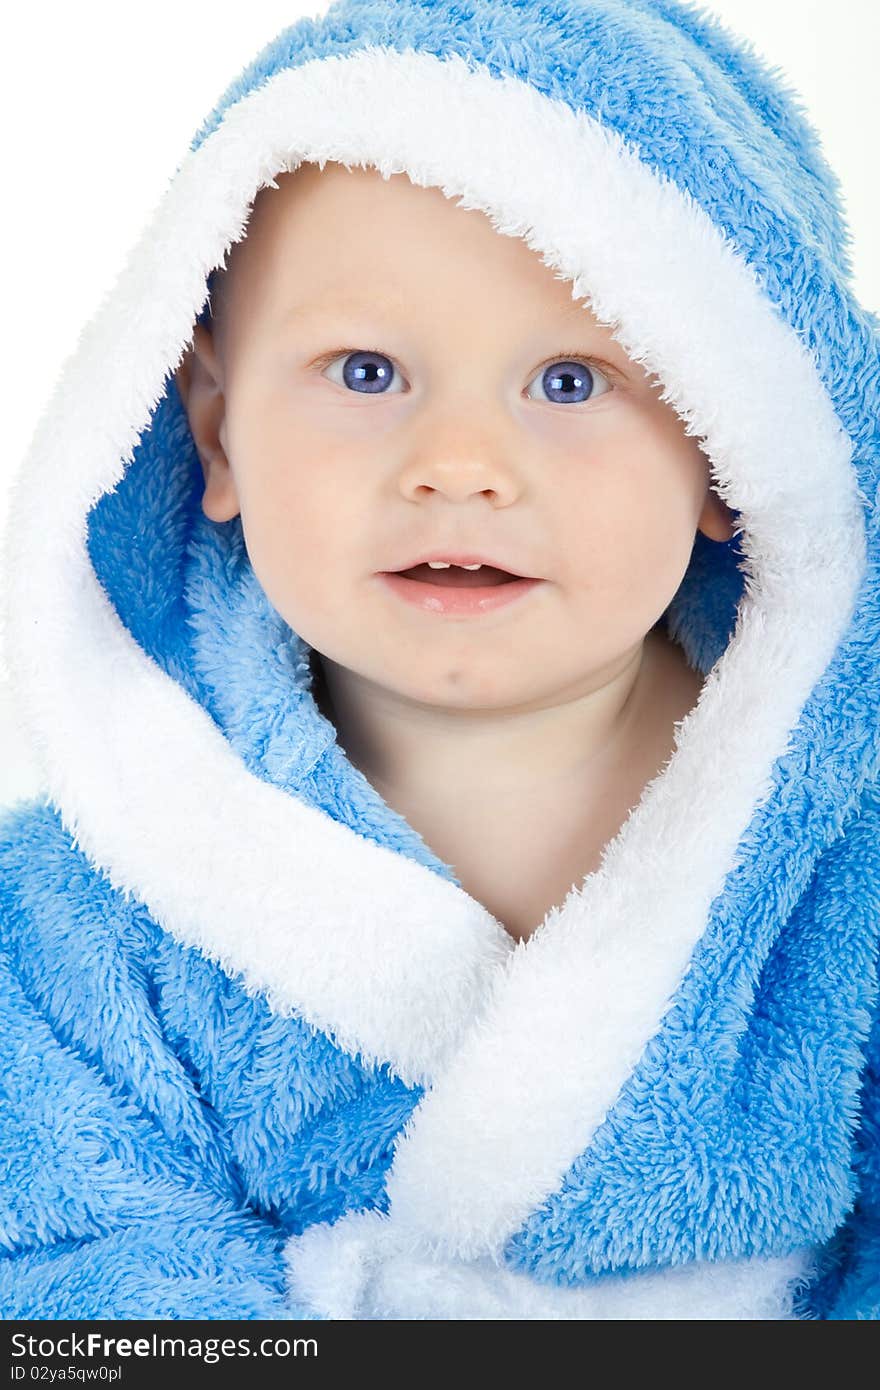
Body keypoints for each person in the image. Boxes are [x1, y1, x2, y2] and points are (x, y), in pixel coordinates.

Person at [0, 0, 877, 1320]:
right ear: (218, 428)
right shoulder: (92, 909)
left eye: (570, 382)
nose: (459, 464)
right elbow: (76, 1273)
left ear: (731, 442)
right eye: (365, 370)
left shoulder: (839, 861)